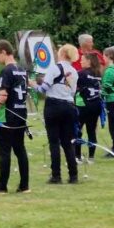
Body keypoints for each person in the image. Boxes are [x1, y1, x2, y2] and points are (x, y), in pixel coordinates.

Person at [0, 40, 30, 194]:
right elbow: (10, 94)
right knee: (20, 150)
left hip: (7, 117)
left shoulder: (6, 71)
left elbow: (4, 96)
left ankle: (2, 186)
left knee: (4, 151)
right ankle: (24, 186)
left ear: (4, 52)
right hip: (21, 114)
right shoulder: (22, 70)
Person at [31, 44, 79, 184]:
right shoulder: (74, 71)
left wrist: (33, 84)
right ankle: (73, 175)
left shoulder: (54, 67)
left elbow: (43, 89)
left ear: (62, 53)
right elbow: (72, 91)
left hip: (53, 106)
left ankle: (56, 176)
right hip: (69, 106)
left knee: (54, 141)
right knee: (67, 142)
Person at [74, 52, 103, 161]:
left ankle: (78, 156)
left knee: (78, 130)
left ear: (89, 61)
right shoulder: (98, 73)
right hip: (96, 105)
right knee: (91, 130)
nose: (80, 61)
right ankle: (91, 157)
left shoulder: (81, 73)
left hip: (84, 105)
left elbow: (73, 85)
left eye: (82, 59)